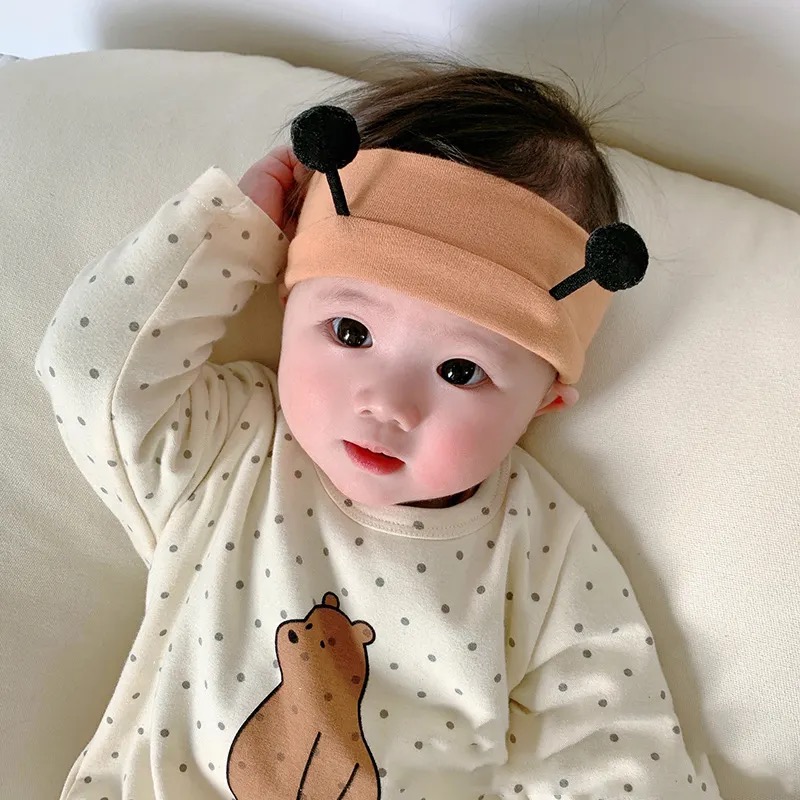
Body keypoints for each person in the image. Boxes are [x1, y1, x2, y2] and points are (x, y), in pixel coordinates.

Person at [35, 52, 722, 800]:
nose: (389, 403)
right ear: (286, 298)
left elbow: (615, 752)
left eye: (460, 371)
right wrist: (230, 232)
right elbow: (93, 370)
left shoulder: (542, 549)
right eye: (351, 332)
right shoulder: (232, 447)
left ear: (542, 404)